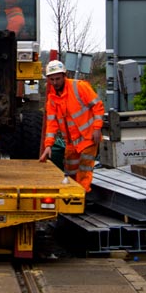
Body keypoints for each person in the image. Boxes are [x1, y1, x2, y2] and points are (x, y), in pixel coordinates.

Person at [39, 60, 105, 193]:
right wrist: (48, 145)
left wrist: (97, 128)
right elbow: (51, 125)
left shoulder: (79, 87)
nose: (55, 82)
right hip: (71, 143)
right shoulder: (53, 99)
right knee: (70, 171)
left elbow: (98, 106)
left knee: (84, 170)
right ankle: (73, 194)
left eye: (57, 78)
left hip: (88, 138)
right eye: (52, 79)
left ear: (65, 75)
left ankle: (81, 196)